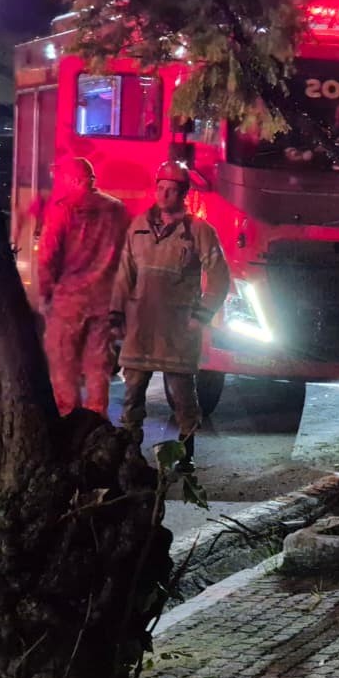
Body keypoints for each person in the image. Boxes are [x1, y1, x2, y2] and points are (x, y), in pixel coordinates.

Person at [110, 160, 229, 469]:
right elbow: (124, 274)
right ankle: (130, 455)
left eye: (171, 190)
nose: (163, 195)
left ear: (183, 193)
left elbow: (219, 277)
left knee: (183, 399)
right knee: (132, 395)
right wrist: (115, 314)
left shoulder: (199, 231)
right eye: (160, 188)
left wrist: (201, 316)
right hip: (142, 326)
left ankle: (186, 456)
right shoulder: (138, 227)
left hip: (178, 328)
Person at [36, 156, 129, 417]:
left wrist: (44, 295)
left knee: (63, 365)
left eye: (63, 178)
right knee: (98, 366)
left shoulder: (63, 209)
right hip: (104, 300)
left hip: (69, 302)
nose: (60, 183)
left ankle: (69, 422)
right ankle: (96, 421)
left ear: (75, 179)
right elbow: (128, 255)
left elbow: (47, 257)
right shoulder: (117, 210)